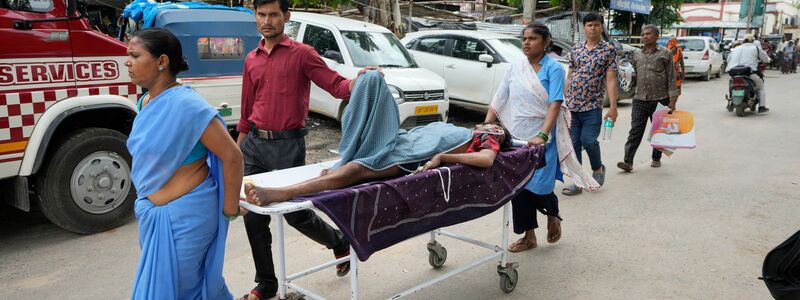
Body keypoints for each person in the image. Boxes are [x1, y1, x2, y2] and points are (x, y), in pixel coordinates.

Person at [236, 0, 379, 298]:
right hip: (253, 146)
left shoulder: (302, 54)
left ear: (286, 16)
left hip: (288, 146)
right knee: (252, 215)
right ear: (255, 16)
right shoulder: (252, 58)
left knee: (295, 214)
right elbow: (247, 108)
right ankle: (266, 282)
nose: (267, 21)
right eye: (261, 14)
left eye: (273, 14)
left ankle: (338, 241)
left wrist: (358, 81)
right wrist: (239, 149)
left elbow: (335, 84)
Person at [242, 71, 515, 206]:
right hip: (399, 140)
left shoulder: (484, 139)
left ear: (499, 136)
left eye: (498, 130)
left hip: (403, 156)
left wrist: (443, 157)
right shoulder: (468, 129)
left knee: (353, 170)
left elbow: (486, 159)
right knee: (371, 81)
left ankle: (281, 193)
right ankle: (349, 150)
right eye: (492, 126)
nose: (492, 127)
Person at [126, 28, 244, 299]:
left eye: (134, 55)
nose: (127, 62)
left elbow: (233, 156)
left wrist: (229, 211)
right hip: (152, 215)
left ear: (162, 61)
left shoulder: (189, 105)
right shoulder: (146, 102)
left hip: (187, 217)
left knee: (182, 290)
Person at [485, 23, 600, 252]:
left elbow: (555, 103)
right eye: (524, 38)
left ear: (545, 42)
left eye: (532, 38)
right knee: (518, 187)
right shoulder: (515, 68)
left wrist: (542, 135)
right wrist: (487, 123)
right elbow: (501, 96)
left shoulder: (554, 68)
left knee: (539, 185)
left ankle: (552, 214)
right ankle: (529, 236)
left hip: (543, 136)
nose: (526, 42)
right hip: (517, 135)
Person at [561, 12, 618, 196]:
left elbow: (610, 80)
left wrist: (613, 108)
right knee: (574, 144)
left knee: (588, 140)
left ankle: (597, 169)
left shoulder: (608, 50)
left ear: (601, 27)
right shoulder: (576, 49)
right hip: (572, 105)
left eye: (596, 25)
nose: (592, 28)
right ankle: (578, 182)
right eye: (589, 25)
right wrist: (562, 99)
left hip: (592, 106)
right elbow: (569, 76)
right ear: (584, 28)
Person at [617, 25, 680, 172]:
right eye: (643, 34)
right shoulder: (637, 55)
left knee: (659, 131)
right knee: (635, 131)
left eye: (648, 34)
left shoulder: (665, 53)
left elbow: (671, 77)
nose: (645, 36)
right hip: (640, 98)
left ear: (657, 36)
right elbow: (632, 74)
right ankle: (628, 161)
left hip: (660, 98)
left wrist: (673, 100)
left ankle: (656, 158)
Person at [725, 34, 770, 112]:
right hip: (749, 73)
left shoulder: (736, 48)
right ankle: (762, 107)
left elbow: (728, 59)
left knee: (731, 84)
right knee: (760, 87)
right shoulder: (755, 48)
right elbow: (765, 58)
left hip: (734, 72)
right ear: (752, 41)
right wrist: (768, 60)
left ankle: (731, 102)